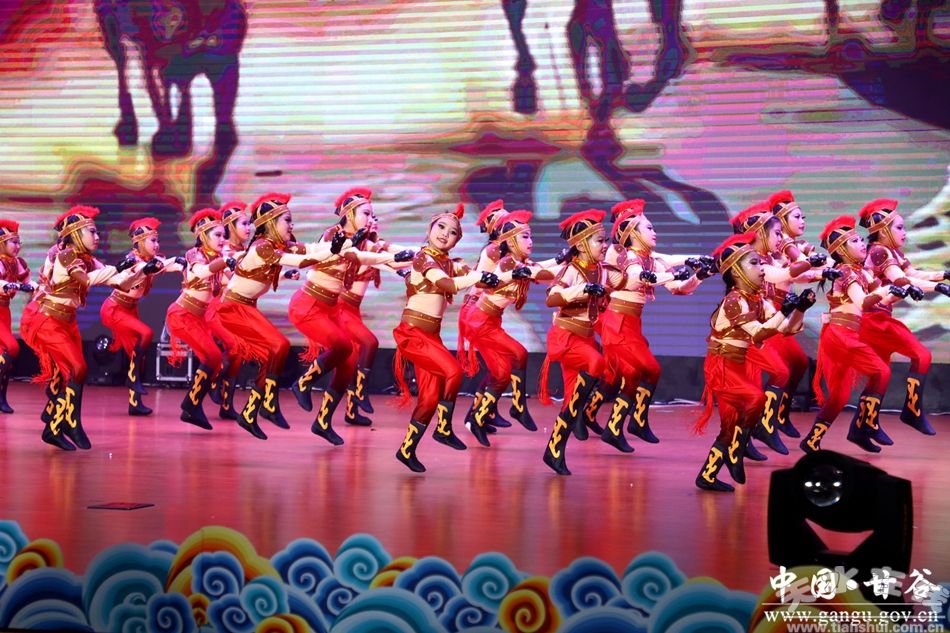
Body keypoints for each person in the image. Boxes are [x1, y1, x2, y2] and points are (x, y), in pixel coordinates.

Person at [214, 193, 344, 440]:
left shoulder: (277, 245)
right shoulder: (262, 246)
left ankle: (250, 413)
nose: (291, 225)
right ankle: (269, 404)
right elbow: (301, 260)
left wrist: (340, 245)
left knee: (270, 355)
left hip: (246, 306)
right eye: (287, 220)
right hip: (233, 307)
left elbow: (311, 249)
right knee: (280, 344)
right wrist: (334, 250)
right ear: (271, 223)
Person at [586, 199, 711, 453]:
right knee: (648, 369)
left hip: (632, 323)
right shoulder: (622, 253)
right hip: (616, 321)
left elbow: (678, 287)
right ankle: (629, 421)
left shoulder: (650, 258)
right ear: (631, 232)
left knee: (632, 375)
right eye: (649, 228)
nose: (655, 232)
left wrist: (698, 274)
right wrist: (675, 271)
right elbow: (636, 278)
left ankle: (615, 427)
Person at [693, 232, 814, 492]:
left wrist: (800, 309)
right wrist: (784, 310)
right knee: (755, 398)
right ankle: (736, 453)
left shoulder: (758, 299)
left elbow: (787, 330)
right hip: (720, 366)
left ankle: (707, 475)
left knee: (729, 427)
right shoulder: (734, 301)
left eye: (760, 263)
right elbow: (759, 333)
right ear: (736, 272)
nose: (762, 268)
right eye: (754, 263)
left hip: (735, 364)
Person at [288, 187, 409, 444]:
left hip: (331, 308)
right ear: (350, 214)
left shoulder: (364, 241)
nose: (371, 219)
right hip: (311, 304)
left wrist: (422, 257)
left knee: (348, 363)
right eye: (366, 213)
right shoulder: (334, 235)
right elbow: (363, 255)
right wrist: (393, 257)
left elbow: (385, 255)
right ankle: (303, 382)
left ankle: (324, 421)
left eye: (372, 214)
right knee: (349, 346)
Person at [392, 203, 502, 472]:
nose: (445, 234)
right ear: (429, 228)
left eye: (452, 232)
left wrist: (507, 275)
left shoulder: (451, 263)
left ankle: (406, 450)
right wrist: (479, 276)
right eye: (441, 227)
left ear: (456, 240)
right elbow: (447, 284)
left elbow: (480, 280)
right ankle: (443, 428)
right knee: (452, 370)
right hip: (412, 333)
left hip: (431, 336)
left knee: (430, 398)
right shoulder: (424, 258)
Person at [21, 206, 139, 450]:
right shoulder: (66, 256)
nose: (97, 236)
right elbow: (85, 280)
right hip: (48, 320)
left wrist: (141, 272)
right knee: (78, 368)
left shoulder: (87, 259)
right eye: (92, 232)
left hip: (67, 321)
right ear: (75, 234)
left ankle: (63, 425)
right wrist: (117, 268)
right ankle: (63, 425)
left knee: (76, 372)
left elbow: (120, 283)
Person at [728, 201, 833, 457]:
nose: (781, 237)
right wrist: (808, 263)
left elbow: (788, 274)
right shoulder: (749, 260)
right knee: (761, 381)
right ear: (761, 234)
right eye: (777, 233)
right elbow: (780, 275)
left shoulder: (769, 256)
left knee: (788, 367)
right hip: (746, 327)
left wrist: (825, 271)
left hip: (765, 319)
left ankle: (765, 425)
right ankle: (747, 436)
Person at [802, 216, 909, 453]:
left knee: (839, 396)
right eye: (855, 241)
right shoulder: (845, 271)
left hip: (846, 334)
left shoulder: (862, 272)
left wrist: (902, 291)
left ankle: (812, 440)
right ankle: (866, 424)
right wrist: (887, 289)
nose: (862, 244)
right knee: (881, 371)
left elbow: (881, 299)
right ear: (841, 250)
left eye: (861, 240)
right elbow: (864, 302)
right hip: (840, 335)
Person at [858, 198, 950, 436]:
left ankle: (862, 427)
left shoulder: (891, 252)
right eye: (899, 227)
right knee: (922, 355)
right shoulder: (879, 251)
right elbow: (902, 279)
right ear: (883, 231)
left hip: (876, 319)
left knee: (879, 374)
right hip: (874, 320)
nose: (904, 232)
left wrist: (943, 275)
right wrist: (938, 287)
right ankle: (911, 410)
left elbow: (912, 273)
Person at [463, 210, 548, 445]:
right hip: (478, 318)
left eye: (530, 237)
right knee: (518, 354)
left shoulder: (517, 261)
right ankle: (517, 407)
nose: (531, 242)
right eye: (525, 237)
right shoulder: (500, 255)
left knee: (501, 374)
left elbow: (539, 270)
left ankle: (478, 417)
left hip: (488, 318)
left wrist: (565, 262)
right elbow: (493, 278)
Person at [539, 209, 610, 475]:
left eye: (605, 240)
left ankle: (554, 450)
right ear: (580, 245)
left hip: (585, 339)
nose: (605, 245)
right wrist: (582, 289)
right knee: (597, 363)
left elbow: (629, 280)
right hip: (566, 338)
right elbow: (552, 298)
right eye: (599, 241)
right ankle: (579, 413)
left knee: (572, 399)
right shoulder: (572, 270)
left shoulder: (601, 270)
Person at [100, 217, 183, 416]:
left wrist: (181, 262)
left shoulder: (149, 261)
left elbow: (163, 265)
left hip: (129, 309)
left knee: (137, 357)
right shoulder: (133, 261)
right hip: (114, 309)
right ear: (139, 242)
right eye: (153, 241)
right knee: (146, 333)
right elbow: (134, 274)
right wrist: (149, 268)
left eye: (157, 241)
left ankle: (134, 403)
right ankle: (132, 379)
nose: (157, 245)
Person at [165, 209, 237, 430]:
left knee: (214, 358)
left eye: (224, 235)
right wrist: (225, 261)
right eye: (218, 235)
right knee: (213, 356)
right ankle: (191, 405)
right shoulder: (194, 255)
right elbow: (201, 272)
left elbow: (234, 282)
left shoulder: (217, 259)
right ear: (204, 235)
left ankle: (192, 405)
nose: (222, 239)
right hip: (181, 315)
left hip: (197, 318)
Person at [766, 190, 828, 438]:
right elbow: (798, 270)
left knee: (799, 363)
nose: (803, 221)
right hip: (765, 313)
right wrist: (819, 271)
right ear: (781, 221)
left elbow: (809, 265)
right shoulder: (777, 246)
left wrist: (837, 267)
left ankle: (779, 415)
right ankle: (765, 423)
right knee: (781, 369)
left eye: (803, 217)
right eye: (797, 217)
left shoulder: (794, 246)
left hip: (781, 311)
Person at [206, 200, 252, 420]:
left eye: (249, 223)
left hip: (237, 309)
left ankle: (227, 405)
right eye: (244, 224)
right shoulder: (225, 251)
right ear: (231, 227)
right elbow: (233, 278)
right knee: (234, 348)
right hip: (220, 309)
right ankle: (212, 380)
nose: (248, 228)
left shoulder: (243, 250)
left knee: (239, 355)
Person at [0, 219, 33, 413]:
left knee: (4, 353)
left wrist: (41, 289)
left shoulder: (17, 262)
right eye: (13, 242)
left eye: (19, 242)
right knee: (12, 347)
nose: (18, 246)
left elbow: (29, 282)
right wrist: (14, 285)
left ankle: (1, 397)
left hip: (5, 311)